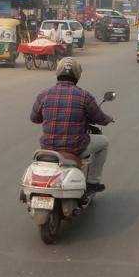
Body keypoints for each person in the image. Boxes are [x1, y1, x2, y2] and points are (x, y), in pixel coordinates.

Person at [30, 57, 113, 193]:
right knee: (104, 142)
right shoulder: (84, 96)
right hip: (75, 147)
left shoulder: (43, 95)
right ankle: (93, 182)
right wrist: (109, 118)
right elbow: (100, 119)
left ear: (57, 72)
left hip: (47, 147)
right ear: (77, 75)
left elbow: (34, 118)